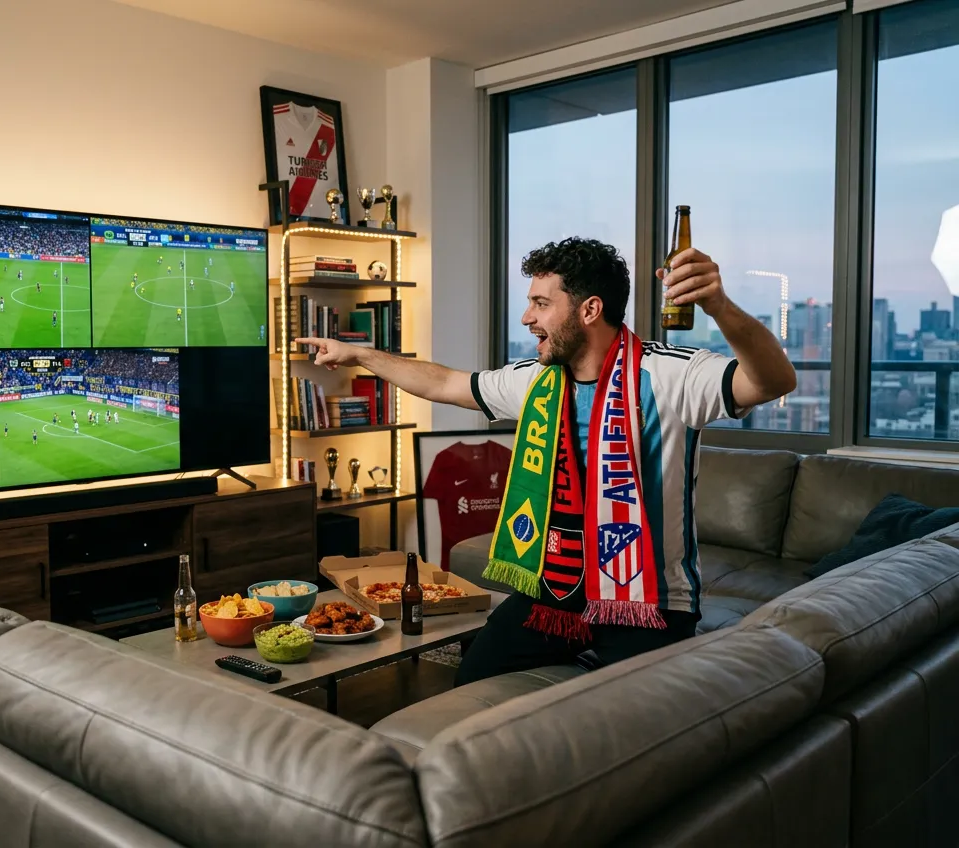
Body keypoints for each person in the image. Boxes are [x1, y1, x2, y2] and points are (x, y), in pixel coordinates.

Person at [296, 237, 796, 686]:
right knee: (472, 676)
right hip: (557, 592)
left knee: (629, 719)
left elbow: (773, 381)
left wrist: (718, 305)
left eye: (540, 303)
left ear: (589, 310)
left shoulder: (671, 375)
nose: (526, 318)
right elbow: (445, 382)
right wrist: (359, 355)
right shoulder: (536, 380)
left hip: (649, 603)